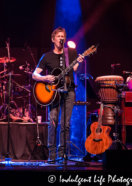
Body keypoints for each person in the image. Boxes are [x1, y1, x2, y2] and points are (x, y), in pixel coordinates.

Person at [32, 27, 84, 162]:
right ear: (53, 39)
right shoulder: (47, 56)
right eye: (58, 36)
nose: (61, 38)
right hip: (53, 93)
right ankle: (52, 154)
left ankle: (62, 154)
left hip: (69, 91)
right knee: (53, 123)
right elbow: (34, 74)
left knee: (65, 125)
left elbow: (76, 70)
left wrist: (80, 63)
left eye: (63, 36)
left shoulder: (71, 53)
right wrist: (45, 78)